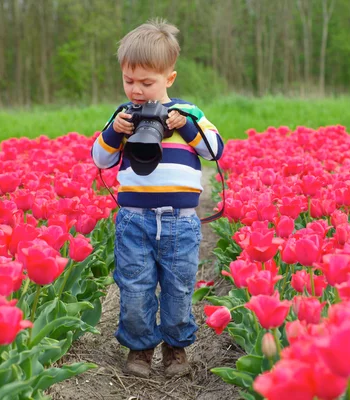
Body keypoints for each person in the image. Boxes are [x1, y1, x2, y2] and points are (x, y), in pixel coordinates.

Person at [91, 18, 224, 378]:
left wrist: (186, 125)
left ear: (170, 78)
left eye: (146, 83)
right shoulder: (124, 116)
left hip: (180, 222)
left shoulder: (190, 113)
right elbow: (100, 160)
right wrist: (114, 131)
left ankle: (176, 349)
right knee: (134, 287)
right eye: (128, 81)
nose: (136, 90)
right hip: (134, 220)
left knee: (179, 288)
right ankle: (140, 348)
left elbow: (214, 151)